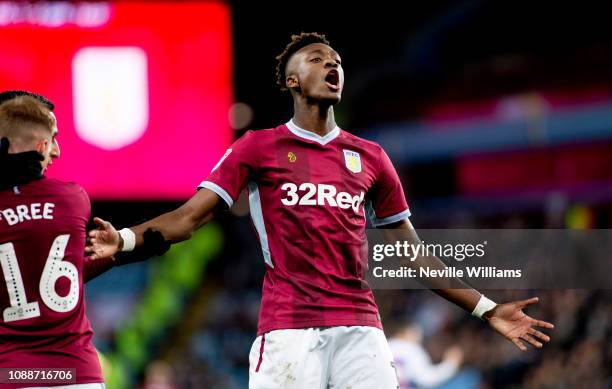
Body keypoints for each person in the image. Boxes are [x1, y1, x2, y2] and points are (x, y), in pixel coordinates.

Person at [87, 33, 554, 389]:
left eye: (336, 62)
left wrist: (487, 309)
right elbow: (188, 219)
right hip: (289, 332)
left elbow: (415, 257)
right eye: (316, 60)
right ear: (293, 80)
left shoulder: (370, 157)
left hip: (361, 331)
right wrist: (124, 240)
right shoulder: (258, 148)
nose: (331, 66)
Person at [0, 91, 106, 389]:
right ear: (41, 145)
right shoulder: (72, 198)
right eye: (54, 140)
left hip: (11, 375)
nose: (57, 152)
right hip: (75, 374)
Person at [388, 319, 464, 388]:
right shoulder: (413, 350)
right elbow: (426, 379)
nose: (419, 338)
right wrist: (450, 364)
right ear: (405, 332)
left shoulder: (386, 345)